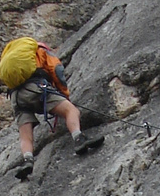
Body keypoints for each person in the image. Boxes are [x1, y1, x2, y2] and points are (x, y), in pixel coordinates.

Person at [8, 45, 102, 181]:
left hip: (16, 96)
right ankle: (79, 139)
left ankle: (27, 160)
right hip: (36, 88)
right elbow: (57, 70)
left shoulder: (15, 57)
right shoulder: (40, 50)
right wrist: (64, 96)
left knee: (25, 135)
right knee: (71, 110)